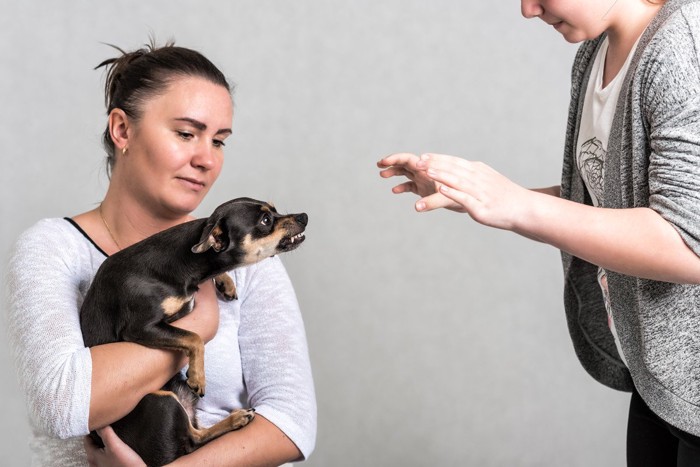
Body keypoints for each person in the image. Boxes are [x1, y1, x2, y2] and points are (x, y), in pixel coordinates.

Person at [378, 0, 700, 465]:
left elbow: (687, 244)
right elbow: (604, 203)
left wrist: (516, 205)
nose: (528, 10)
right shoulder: (594, 53)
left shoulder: (682, 49)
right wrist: (474, 196)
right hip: (662, 384)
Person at [6, 41, 316, 466]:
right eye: (187, 133)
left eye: (220, 141)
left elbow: (291, 423)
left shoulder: (246, 257)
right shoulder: (55, 249)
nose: (206, 159)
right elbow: (63, 406)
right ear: (122, 130)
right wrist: (200, 325)